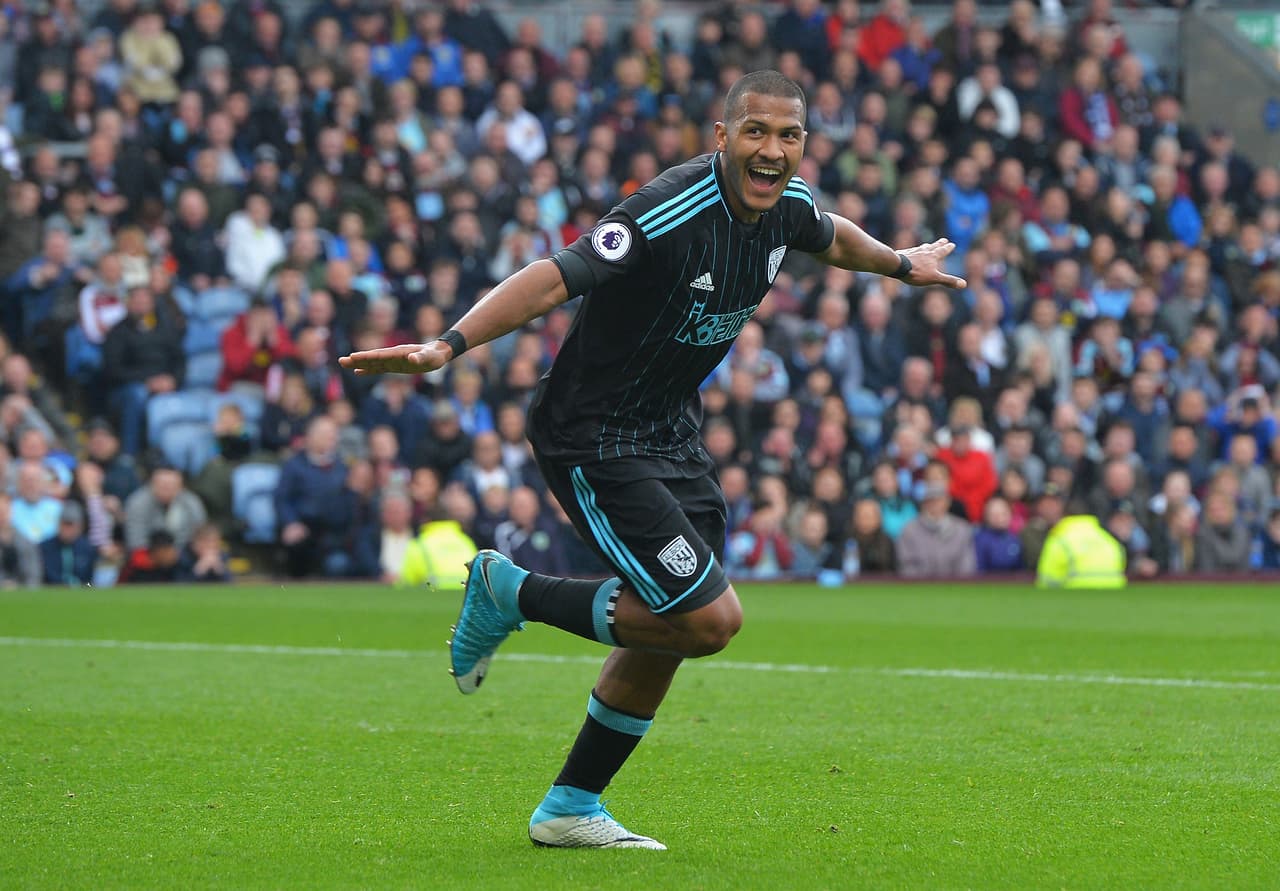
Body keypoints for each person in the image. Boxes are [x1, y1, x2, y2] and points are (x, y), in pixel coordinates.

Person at [340, 70, 963, 850]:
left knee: (667, 627)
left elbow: (835, 235)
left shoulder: (789, 208)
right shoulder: (668, 210)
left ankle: (569, 805)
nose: (773, 150)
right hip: (592, 434)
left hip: (671, 434)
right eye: (757, 132)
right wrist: (447, 345)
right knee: (707, 618)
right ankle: (511, 591)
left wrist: (901, 264)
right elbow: (555, 277)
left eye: (790, 135)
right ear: (724, 137)